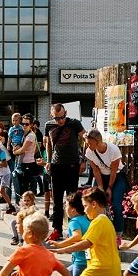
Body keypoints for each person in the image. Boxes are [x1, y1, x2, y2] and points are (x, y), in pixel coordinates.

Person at [44, 103, 86, 241]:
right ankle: (57, 229)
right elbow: (48, 144)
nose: (60, 120)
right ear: (52, 116)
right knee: (56, 200)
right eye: (56, 118)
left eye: (62, 117)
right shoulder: (49, 126)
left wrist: (83, 160)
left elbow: (85, 139)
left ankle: (74, 229)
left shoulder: (75, 123)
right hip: (56, 165)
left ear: (66, 113)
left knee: (72, 200)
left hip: (72, 165)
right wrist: (49, 161)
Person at [84, 129, 127, 244]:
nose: (88, 146)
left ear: (97, 141)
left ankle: (118, 234)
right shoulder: (89, 151)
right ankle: (95, 232)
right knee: (94, 203)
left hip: (116, 177)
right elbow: (95, 170)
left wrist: (109, 188)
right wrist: (101, 187)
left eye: (90, 143)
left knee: (116, 205)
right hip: (100, 177)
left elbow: (113, 171)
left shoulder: (113, 150)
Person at [46, 191, 89, 276]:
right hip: (86, 260)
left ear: (73, 209)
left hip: (80, 262)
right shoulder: (86, 219)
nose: (65, 208)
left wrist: (60, 245)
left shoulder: (74, 222)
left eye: (66, 205)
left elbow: (77, 236)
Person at [12, 114, 40, 205]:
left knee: (26, 188)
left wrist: (15, 152)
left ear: (31, 125)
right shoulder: (24, 134)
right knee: (22, 188)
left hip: (29, 163)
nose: (24, 126)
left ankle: (29, 207)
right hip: (22, 163)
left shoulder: (31, 135)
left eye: (26, 124)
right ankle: (25, 206)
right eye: (23, 124)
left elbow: (23, 149)